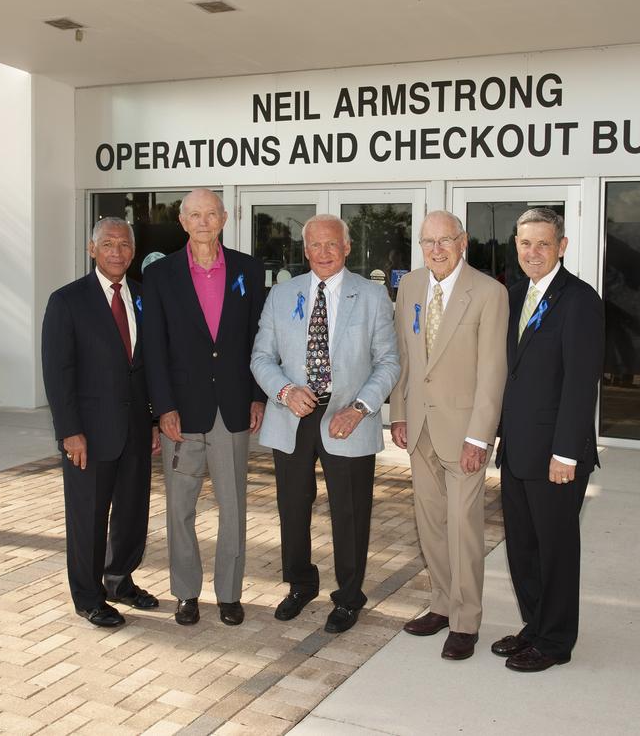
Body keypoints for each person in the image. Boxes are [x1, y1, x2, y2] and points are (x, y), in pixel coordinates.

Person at [250, 214, 400, 634]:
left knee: (350, 512)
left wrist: (361, 407)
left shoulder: (371, 296)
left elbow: (389, 362)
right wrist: (283, 391)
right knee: (292, 507)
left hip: (347, 416)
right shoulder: (282, 295)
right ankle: (300, 584)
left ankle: (349, 597)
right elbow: (261, 357)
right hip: (292, 414)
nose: (324, 253)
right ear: (305, 250)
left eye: (332, 244)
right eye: (315, 245)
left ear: (347, 248)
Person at [142, 189, 265, 627]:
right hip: (183, 413)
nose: (203, 222)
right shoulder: (160, 276)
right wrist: (162, 409)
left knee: (233, 506)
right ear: (182, 220)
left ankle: (229, 593)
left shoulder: (249, 270)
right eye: (194, 214)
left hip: (232, 409)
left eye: (210, 214)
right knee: (180, 508)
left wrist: (257, 394)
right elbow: (153, 350)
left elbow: (258, 341)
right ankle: (186, 593)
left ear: (224, 217)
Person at [390, 211, 508, 661]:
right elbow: (405, 356)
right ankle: (441, 603)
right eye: (427, 242)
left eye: (444, 240)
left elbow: (492, 371)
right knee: (431, 523)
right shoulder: (411, 287)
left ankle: (466, 620)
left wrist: (480, 436)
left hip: (464, 435)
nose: (436, 249)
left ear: (464, 242)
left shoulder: (489, 293)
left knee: (463, 528)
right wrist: (398, 414)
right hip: (418, 427)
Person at [493, 207, 603, 671]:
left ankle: (556, 642)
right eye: (524, 243)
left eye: (542, 243)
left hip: (556, 455)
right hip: (517, 450)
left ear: (562, 246)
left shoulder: (579, 300)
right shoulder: (514, 295)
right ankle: (535, 626)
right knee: (523, 548)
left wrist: (565, 452)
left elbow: (582, 383)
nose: (532, 252)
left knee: (556, 552)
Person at [41, 217, 161, 628]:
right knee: (88, 517)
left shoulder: (143, 297)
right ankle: (88, 596)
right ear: (92, 250)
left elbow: (147, 368)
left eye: (124, 244)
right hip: (88, 434)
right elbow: (58, 374)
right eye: (107, 244)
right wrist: (69, 431)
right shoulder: (67, 300)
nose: (117, 251)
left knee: (132, 512)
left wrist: (154, 422)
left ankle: (119, 579)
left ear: (133, 251)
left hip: (135, 429)